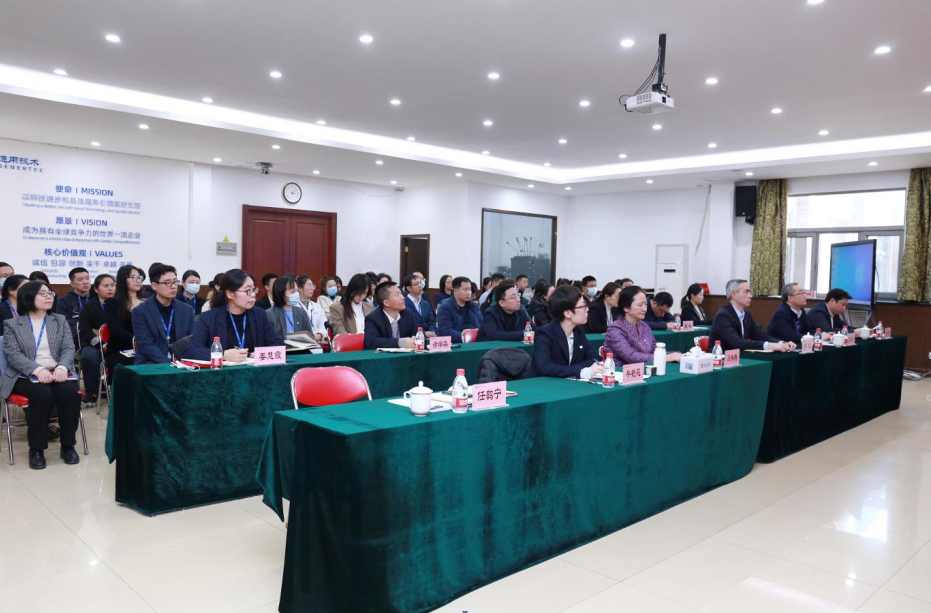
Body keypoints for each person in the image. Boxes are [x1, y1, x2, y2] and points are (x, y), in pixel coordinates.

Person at [2, 280, 81, 469]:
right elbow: (14, 355)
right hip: (25, 373)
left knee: (69, 393)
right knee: (42, 394)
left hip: (58, 371)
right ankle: (36, 449)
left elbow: (69, 348)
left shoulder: (59, 320)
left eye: (50, 293)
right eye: (42, 293)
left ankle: (68, 446)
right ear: (28, 297)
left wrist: (62, 367)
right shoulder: (13, 324)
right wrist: (37, 370)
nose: (49, 297)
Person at [184, 269, 281, 362]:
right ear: (230, 294)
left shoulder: (259, 314)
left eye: (253, 289)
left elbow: (277, 344)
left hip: (254, 370)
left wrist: (262, 353)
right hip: (223, 372)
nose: (253, 295)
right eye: (248, 291)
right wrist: (222, 355)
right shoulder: (209, 318)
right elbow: (192, 350)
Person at [533, 285, 604, 380]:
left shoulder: (577, 330)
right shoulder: (545, 333)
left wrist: (571, 370)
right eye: (583, 306)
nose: (587, 309)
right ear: (567, 313)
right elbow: (544, 367)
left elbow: (595, 358)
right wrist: (580, 371)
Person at [132, 263, 195, 365]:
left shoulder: (186, 309)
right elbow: (146, 345)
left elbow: (192, 339)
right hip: (151, 363)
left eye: (175, 282)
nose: (173, 287)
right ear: (154, 286)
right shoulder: (140, 312)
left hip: (181, 362)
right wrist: (169, 364)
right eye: (167, 283)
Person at [605, 286, 683, 365]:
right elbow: (631, 356)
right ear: (626, 308)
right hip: (621, 371)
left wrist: (675, 354)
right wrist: (666, 357)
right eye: (640, 305)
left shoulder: (644, 326)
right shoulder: (615, 330)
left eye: (645, 304)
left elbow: (654, 349)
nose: (644, 309)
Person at [709, 279, 793, 352]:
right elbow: (737, 343)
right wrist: (769, 346)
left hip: (740, 358)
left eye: (750, 292)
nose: (750, 296)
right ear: (734, 295)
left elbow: (760, 336)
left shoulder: (746, 314)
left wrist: (781, 343)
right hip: (720, 359)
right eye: (746, 292)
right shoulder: (723, 316)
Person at [78, 273, 114, 407]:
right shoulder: (89, 306)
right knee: (89, 357)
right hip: (94, 342)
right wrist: (101, 344)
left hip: (117, 342)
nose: (110, 288)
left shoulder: (121, 303)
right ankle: (91, 392)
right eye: (106, 286)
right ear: (96, 289)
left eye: (112, 285)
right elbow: (85, 330)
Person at [103, 265, 145, 376]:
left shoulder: (147, 302)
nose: (138, 280)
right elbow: (115, 330)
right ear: (123, 279)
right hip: (120, 348)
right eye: (133, 277)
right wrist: (136, 341)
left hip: (145, 346)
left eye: (139, 277)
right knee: (126, 366)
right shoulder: (112, 303)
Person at [363, 281, 418, 349]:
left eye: (401, 293)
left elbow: (417, 334)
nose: (403, 297)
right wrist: (400, 342)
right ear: (386, 303)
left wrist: (415, 339)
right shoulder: (373, 319)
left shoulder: (408, 314)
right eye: (397, 295)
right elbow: (372, 342)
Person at [267, 275, 313, 340]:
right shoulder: (269, 314)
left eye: (297, 291)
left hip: (299, 346)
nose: (296, 294)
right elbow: (269, 339)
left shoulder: (301, 312)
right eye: (293, 292)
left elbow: (310, 335)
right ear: (281, 293)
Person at [437, 276, 483, 342]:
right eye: (465, 290)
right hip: (456, 343)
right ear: (456, 291)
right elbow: (446, 331)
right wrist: (466, 337)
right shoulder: (445, 307)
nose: (469, 293)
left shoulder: (474, 306)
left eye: (469, 289)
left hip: (475, 341)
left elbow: (481, 325)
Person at [56, 267, 92, 349]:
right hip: (74, 339)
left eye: (87, 278)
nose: (85, 282)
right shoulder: (63, 301)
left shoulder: (97, 298)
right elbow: (63, 323)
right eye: (80, 279)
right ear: (72, 284)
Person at [294, 275, 327, 341]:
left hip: (317, 342)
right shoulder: (293, 306)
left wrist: (320, 335)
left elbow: (324, 326)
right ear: (300, 288)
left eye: (312, 286)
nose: (312, 289)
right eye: (309, 285)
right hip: (300, 342)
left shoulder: (317, 306)